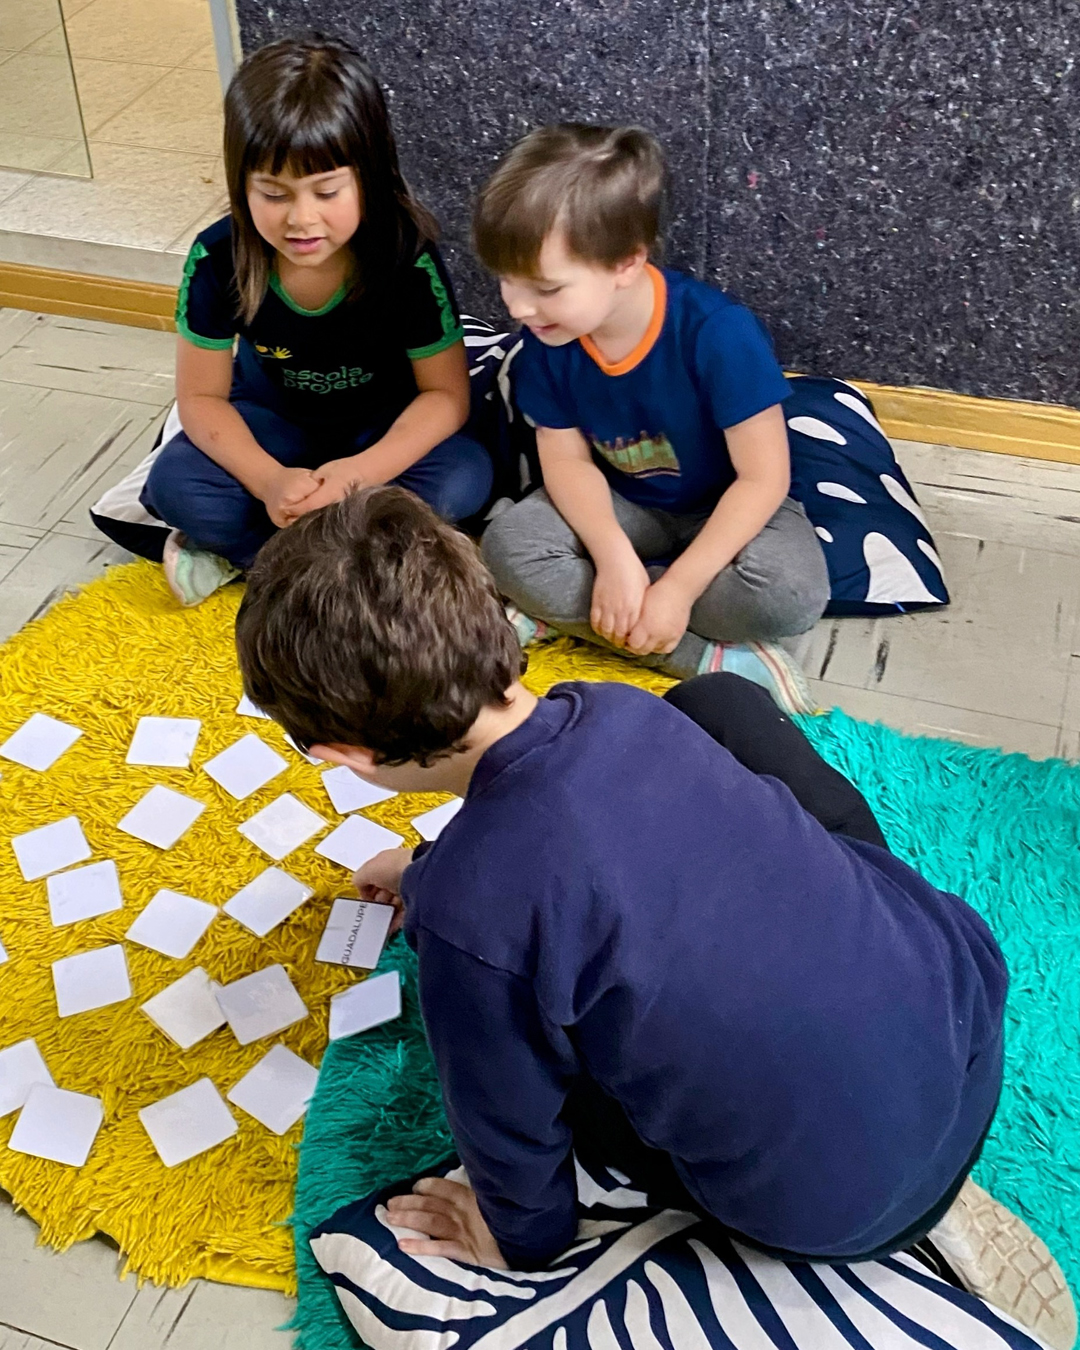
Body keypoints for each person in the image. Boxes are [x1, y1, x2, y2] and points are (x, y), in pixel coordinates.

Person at [235, 485, 1074, 1349]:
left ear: (344, 755)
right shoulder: (619, 706)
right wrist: (431, 870)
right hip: (965, 1029)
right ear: (498, 623)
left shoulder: (464, 920)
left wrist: (517, 1240)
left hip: (827, 1211)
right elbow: (590, 845)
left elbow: (508, 1124)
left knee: (559, 1041)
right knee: (721, 712)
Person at [475, 123, 830, 709]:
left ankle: (573, 612)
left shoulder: (718, 333)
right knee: (508, 547)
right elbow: (566, 463)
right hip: (624, 504)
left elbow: (763, 478)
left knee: (788, 595)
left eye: (545, 287)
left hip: (726, 505)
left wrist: (679, 589)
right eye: (505, 281)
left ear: (626, 263)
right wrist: (613, 557)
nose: (517, 307)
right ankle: (706, 657)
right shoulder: (546, 341)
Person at [138, 37, 493, 606]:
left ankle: (272, 556)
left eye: (327, 191)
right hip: (274, 427)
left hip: (381, 432)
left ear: (369, 178)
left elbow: (446, 396)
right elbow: (201, 398)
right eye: (273, 194)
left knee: (463, 479)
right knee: (176, 485)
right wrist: (267, 480)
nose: (302, 219)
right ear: (241, 184)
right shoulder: (217, 256)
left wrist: (356, 476)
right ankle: (342, 565)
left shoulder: (406, 257)